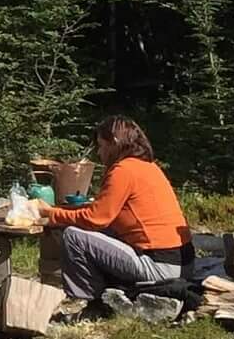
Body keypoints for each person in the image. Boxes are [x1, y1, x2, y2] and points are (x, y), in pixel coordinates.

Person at [41, 116, 190, 302]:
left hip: (160, 265)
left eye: (102, 146)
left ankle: (87, 301)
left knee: (73, 236)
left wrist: (49, 213)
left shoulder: (123, 170)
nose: (100, 153)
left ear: (115, 143)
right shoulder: (148, 166)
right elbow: (105, 211)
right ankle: (105, 290)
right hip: (182, 262)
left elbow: (96, 219)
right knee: (104, 231)